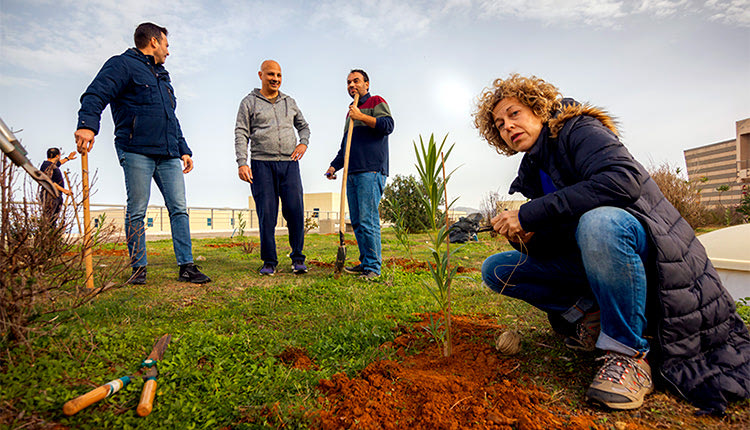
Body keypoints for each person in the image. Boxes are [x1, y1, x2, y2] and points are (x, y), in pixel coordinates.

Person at [474, 74, 750, 413]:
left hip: (652, 250)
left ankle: (628, 354)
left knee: (599, 222)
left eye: (514, 113)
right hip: (599, 256)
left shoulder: (578, 129)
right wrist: (528, 237)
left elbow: (622, 181)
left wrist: (531, 213)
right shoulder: (534, 168)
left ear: (539, 108)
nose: (508, 127)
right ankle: (592, 315)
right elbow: (564, 237)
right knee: (497, 269)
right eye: (500, 125)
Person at [74, 22, 211, 285]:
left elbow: (170, 116)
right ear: (153, 42)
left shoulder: (162, 76)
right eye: (167, 45)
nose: (168, 52)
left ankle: (187, 266)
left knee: (179, 209)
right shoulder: (121, 65)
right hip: (136, 150)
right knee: (137, 210)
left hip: (169, 153)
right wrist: (87, 125)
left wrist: (183, 149)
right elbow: (96, 93)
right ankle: (139, 268)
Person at [234, 60, 310, 276]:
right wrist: (242, 162)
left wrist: (303, 142)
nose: (275, 79)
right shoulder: (248, 102)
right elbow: (241, 133)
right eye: (270, 75)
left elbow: (303, 126)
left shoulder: (290, 102)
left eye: (278, 75)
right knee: (267, 213)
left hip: (289, 164)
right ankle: (269, 261)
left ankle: (298, 258)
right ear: (261, 75)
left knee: (295, 210)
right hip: (261, 165)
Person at [325, 69, 394, 280]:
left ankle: (373, 268)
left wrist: (361, 116)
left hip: (371, 170)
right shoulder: (350, 113)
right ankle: (365, 263)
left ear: (367, 83)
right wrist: (333, 167)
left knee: (367, 219)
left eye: (356, 81)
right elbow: (345, 146)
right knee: (356, 221)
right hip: (352, 172)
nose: (351, 85)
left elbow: (388, 126)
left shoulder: (375, 101)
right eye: (348, 82)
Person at [39, 148, 76, 221]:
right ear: (57, 156)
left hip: (55, 195)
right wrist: (64, 190)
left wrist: (68, 158)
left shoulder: (51, 164)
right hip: (50, 195)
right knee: (50, 218)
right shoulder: (47, 166)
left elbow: (59, 163)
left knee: (54, 218)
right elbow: (50, 182)